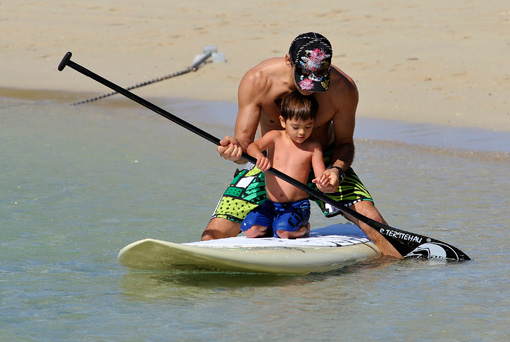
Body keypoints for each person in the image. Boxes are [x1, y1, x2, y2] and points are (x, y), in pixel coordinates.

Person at [202, 32, 402, 258]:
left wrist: (336, 171)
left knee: (377, 227)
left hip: (322, 163)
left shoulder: (343, 89)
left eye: (319, 79)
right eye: (305, 77)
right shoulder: (257, 81)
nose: (310, 87)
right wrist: (232, 151)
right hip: (270, 165)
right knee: (212, 236)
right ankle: (269, 226)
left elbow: (345, 144)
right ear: (289, 61)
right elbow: (244, 146)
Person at [241, 91, 331, 239]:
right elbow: (252, 147)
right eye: (295, 127)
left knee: (284, 232)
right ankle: (274, 226)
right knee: (251, 231)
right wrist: (258, 157)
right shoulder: (274, 136)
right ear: (283, 121)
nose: (302, 132)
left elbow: (320, 175)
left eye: (308, 126)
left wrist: (323, 182)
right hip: (270, 204)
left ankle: (303, 229)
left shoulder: (313, 147)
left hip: (297, 206)